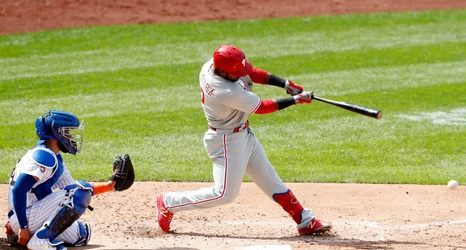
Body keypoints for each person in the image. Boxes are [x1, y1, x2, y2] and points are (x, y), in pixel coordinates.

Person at [156, 45, 332, 235]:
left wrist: (284, 83)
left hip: (242, 134)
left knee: (269, 178)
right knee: (224, 194)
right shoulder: (223, 90)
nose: (241, 74)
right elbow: (262, 107)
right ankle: (169, 202)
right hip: (226, 141)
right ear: (222, 71)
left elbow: (251, 72)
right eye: (236, 72)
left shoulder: (214, 65)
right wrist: (296, 100)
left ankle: (304, 220)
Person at [5, 110, 120, 249]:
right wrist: (23, 227)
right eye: (68, 132)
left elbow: (74, 188)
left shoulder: (55, 158)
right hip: (25, 217)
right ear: (57, 134)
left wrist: (110, 186)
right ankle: (39, 241)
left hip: (33, 214)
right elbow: (18, 190)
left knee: (82, 234)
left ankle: (15, 231)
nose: (71, 136)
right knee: (78, 195)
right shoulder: (43, 157)